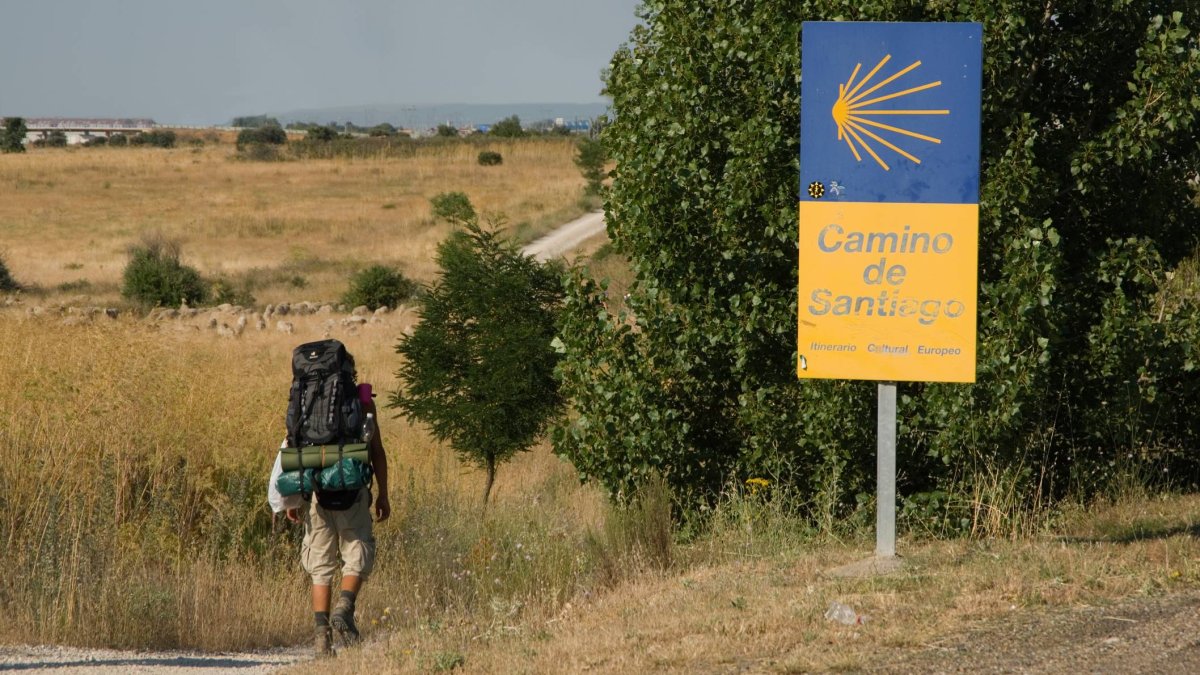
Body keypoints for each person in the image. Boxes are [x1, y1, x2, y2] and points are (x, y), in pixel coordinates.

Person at [286, 382, 390, 656]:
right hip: (352, 490)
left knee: (320, 564)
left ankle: (322, 639)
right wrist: (383, 495)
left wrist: (292, 497)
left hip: (317, 494)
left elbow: (290, 446)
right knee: (357, 550)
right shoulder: (363, 401)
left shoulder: (306, 401)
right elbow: (377, 450)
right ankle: (345, 608)